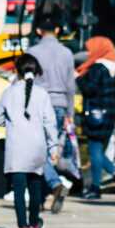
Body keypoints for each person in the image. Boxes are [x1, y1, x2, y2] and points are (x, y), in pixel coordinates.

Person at [0, 53, 59, 228]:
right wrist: (53, 148)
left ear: (16, 71)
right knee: (35, 186)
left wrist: (12, 123)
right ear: (36, 73)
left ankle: (22, 227)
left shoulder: (8, 92)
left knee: (18, 189)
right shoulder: (43, 95)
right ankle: (34, 224)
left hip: (16, 149)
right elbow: (50, 123)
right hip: (37, 148)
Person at [26, 13, 76, 213]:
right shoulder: (67, 53)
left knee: (39, 151)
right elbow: (71, 86)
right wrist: (69, 113)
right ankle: (43, 196)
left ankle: (55, 184)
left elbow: (27, 82)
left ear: (38, 31)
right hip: (60, 104)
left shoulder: (32, 51)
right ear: (57, 30)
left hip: (38, 105)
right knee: (50, 149)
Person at [76, 36, 115, 199]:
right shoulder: (112, 67)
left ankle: (95, 187)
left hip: (97, 114)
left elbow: (90, 89)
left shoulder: (97, 68)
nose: (87, 52)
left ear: (99, 49)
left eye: (90, 49)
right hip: (108, 113)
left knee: (95, 150)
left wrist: (79, 79)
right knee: (97, 150)